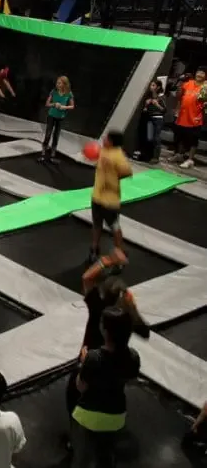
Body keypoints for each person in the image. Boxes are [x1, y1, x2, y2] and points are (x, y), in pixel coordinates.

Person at [66, 270, 150, 422]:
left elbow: (86, 278)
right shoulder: (127, 317)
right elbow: (145, 332)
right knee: (109, 388)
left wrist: (107, 260)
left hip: (93, 364)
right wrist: (132, 307)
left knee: (77, 391)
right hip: (117, 410)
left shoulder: (98, 307)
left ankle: (76, 433)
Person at [70, 307, 141, 468]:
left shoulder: (93, 357)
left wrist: (83, 363)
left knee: (82, 458)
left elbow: (81, 387)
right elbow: (131, 380)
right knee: (106, 456)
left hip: (88, 416)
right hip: (116, 416)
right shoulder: (133, 357)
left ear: (105, 330)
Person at [89, 130, 132, 263]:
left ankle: (120, 251)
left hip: (110, 201)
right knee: (96, 224)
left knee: (114, 226)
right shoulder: (103, 150)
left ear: (112, 141)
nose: (104, 139)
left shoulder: (119, 156)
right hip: (97, 197)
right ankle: (94, 248)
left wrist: (113, 179)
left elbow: (127, 172)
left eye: (106, 138)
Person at [171, 67, 205, 169]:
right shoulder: (188, 83)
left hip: (195, 117)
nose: (199, 74)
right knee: (181, 136)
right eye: (198, 72)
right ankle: (179, 155)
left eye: (202, 73)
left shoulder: (206, 86)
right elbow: (179, 96)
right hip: (183, 115)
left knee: (193, 139)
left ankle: (190, 160)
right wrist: (179, 87)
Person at [39, 76, 75, 164]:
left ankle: (52, 156)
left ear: (64, 84)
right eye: (57, 83)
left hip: (60, 118)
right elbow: (47, 104)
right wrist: (54, 104)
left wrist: (64, 107)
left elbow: (72, 106)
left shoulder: (69, 93)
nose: (57, 84)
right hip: (51, 116)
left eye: (59, 83)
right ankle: (43, 154)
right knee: (48, 134)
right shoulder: (54, 91)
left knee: (56, 136)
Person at [134, 79, 165, 163]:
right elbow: (145, 109)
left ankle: (156, 157)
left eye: (153, 85)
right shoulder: (149, 96)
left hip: (158, 119)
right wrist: (146, 106)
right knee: (149, 137)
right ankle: (147, 155)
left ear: (158, 87)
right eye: (151, 85)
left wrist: (157, 104)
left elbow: (164, 110)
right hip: (149, 118)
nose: (151, 87)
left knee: (156, 138)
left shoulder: (161, 97)